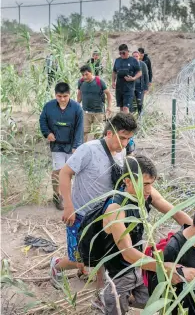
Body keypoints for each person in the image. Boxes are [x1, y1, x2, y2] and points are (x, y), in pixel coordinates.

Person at [96, 155, 195, 314]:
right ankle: (105, 299)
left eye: (151, 184)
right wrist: (165, 268)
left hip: (139, 267)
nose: (148, 190)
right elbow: (128, 253)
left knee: (155, 302)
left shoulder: (147, 193)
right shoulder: (115, 210)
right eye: (144, 184)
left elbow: (176, 213)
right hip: (117, 276)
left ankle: (126, 297)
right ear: (128, 181)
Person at [49, 113, 137, 291]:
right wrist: (68, 206)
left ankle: (101, 292)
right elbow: (65, 173)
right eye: (122, 138)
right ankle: (57, 266)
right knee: (77, 258)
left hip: (105, 215)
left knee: (102, 253)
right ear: (109, 134)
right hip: (82, 214)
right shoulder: (88, 150)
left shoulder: (123, 152)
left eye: (129, 139)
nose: (125, 143)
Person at [39, 82, 83, 210]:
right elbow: (42, 121)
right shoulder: (48, 107)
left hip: (71, 145)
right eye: (59, 96)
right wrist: (47, 133)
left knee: (71, 172)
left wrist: (76, 145)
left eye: (65, 96)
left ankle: (71, 196)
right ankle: (57, 195)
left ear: (70, 95)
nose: (62, 99)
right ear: (55, 95)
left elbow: (79, 128)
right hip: (57, 145)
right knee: (58, 171)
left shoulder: (76, 108)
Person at [77, 65, 112, 142]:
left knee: (98, 133)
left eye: (86, 74)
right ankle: (84, 148)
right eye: (83, 75)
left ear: (91, 73)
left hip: (98, 112)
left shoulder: (99, 81)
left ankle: (97, 148)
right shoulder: (81, 82)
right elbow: (79, 93)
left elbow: (108, 94)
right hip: (85, 111)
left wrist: (109, 107)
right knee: (84, 131)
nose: (85, 77)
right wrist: (77, 104)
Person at [112, 44, 142, 114]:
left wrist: (133, 78)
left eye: (123, 53)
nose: (121, 55)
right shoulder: (117, 60)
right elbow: (114, 72)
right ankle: (122, 124)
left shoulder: (133, 60)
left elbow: (140, 72)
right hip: (119, 88)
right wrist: (113, 82)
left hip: (129, 88)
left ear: (127, 51)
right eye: (120, 53)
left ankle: (127, 123)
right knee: (121, 108)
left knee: (126, 108)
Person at [131, 51, 149, 115]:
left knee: (140, 102)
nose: (135, 57)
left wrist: (146, 88)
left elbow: (146, 76)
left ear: (139, 57)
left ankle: (140, 116)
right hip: (131, 87)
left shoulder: (143, 64)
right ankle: (133, 117)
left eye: (136, 56)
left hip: (140, 87)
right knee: (132, 103)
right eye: (134, 56)